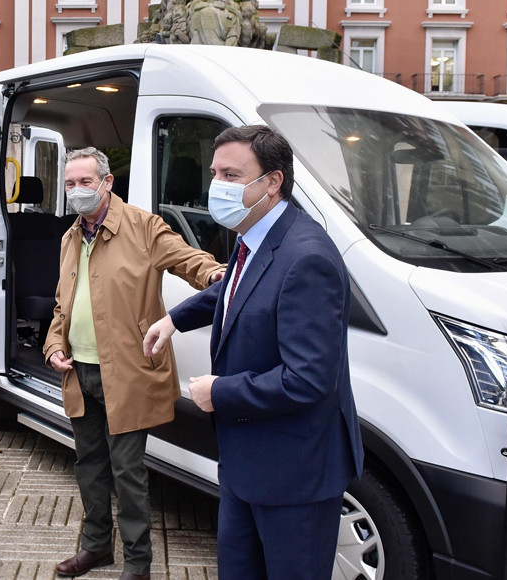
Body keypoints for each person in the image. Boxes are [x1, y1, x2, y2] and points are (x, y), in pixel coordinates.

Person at [143, 125, 364, 579]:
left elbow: (307, 380)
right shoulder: (254, 236)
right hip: (245, 464)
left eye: (231, 174)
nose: (217, 186)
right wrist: (173, 319)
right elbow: (235, 290)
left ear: (272, 182)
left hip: (294, 475)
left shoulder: (308, 258)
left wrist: (219, 392)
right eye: (215, 173)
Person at [44, 148, 224, 580]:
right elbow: (61, 305)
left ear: (107, 183)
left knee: (127, 471)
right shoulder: (70, 237)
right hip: (78, 372)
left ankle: (138, 563)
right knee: (88, 466)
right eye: (70, 184)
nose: (77, 192)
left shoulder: (144, 227)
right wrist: (53, 345)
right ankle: (95, 548)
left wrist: (220, 275)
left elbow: (187, 259)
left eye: (86, 182)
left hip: (125, 372)